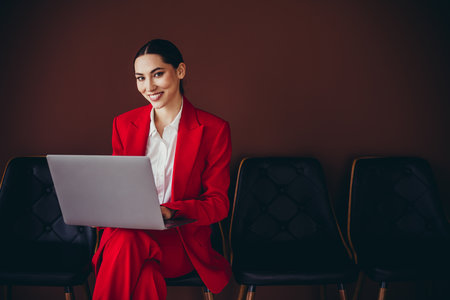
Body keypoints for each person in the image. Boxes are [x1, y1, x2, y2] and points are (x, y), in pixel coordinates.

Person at [91, 39, 232, 299]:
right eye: (140, 78)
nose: (149, 87)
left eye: (158, 74)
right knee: (140, 266)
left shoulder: (213, 129)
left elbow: (218, 203)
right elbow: (116, 188)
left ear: (180, 71)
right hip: (128, 233)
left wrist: (171, 211)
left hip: (178, 241)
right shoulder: (124, 124)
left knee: (131, 252)